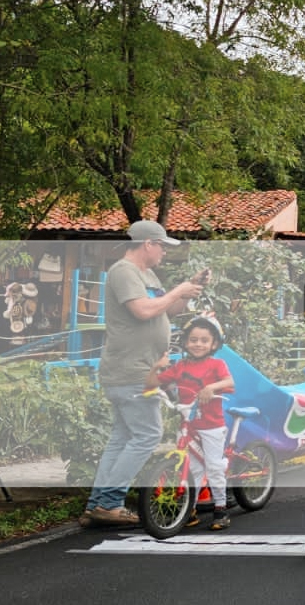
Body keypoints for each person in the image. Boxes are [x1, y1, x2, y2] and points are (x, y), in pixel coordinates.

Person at [82, 220, 206, 529]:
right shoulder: (123, 271)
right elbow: (143, 311)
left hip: (138, 369)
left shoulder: (146, 274)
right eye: (162, 246)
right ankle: (109, 504)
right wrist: (178, 289)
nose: (164, 252)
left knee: (122, 438)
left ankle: (98, 504)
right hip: (133, 370)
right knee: (147, 434)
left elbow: (167, 310)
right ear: (147, 244)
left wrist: (188, 289)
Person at [152, 315, 236, 530]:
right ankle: (191, 508)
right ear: (185, 342)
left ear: (214, 344)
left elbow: (229, 382)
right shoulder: (180, 366)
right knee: (193, 468)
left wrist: (211, 388)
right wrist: (153, 379)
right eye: (193, 339)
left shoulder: (217, 364)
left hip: (211, 425)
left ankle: (220, 508)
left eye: (204, 340)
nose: (198, 344)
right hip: (188, 423)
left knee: (214, 466)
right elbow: (159, 381)